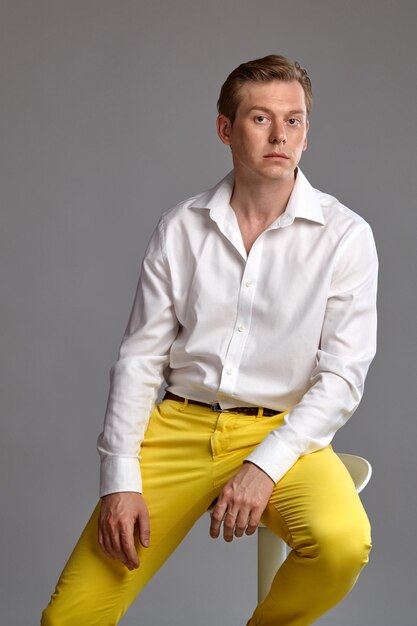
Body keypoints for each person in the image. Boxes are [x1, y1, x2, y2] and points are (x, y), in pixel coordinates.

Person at [41, 54, 378, 626]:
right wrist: (118, 479)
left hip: (283, 431)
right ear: (226, 129)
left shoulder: (346, 237)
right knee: (70, 618)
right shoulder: (181, 228)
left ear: (306, 133)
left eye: (293, 121)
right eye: (260, 119)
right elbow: (140, 360)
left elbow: (342, 377)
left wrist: (265, 466)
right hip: (178, 427)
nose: (280, 135)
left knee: (343, 544)